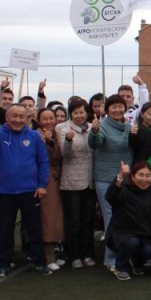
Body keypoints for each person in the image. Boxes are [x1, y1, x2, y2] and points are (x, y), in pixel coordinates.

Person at [0, 103, 51, 277]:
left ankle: (39, 261)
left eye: (22, 117)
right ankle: (4, 262)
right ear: (6, 118)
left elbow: (43, 161)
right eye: (14, 116)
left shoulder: (34, 136)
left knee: (33, 228)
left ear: (27, 118)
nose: (18, 120)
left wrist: (42, 185)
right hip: (6, 192)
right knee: (5, 228)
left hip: (30, 191)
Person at [88, 93, 134, 271]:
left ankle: (124, 257)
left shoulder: (129, 126)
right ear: (107, 109)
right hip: (106, 178)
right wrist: (95, 130)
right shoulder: (103, 126)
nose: (117, 109)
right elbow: (95, 143)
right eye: (113, 107)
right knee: (111, 219)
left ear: (125, 107)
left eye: (120, 106)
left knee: (123, 218)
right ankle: (111, 260)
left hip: (126, 179)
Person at [56, 97, 96, 269]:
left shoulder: (92, 127)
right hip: (71, 181)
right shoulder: (62, 128)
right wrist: (69, 140)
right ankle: (74, 255)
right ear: (70, 113)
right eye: (76, 112)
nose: (80, 115)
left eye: (82, 112)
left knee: (88, 219)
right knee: (73, 220)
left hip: (90, 181)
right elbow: (66, 155)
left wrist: (95, 131)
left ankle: (88, 253)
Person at [105, 161, 151, 281]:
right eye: (140, 175)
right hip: (122, 232)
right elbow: (110, 197)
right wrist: (120, 176)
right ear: (133, 177)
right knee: (132, 243)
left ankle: (136, 263)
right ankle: (120, 267)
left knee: (150, 250)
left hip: (143, 233)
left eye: (147, 176)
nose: (144, 179)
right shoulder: (123, 189)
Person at [36, 108, 65, 272]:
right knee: (48, 217)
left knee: (57, 217)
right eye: (44, 119)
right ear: (38, 120)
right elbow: (52, 157)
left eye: (51, 118)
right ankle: (48, 257)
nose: (48, 122)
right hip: (45, 178)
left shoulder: (57, 133)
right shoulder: (36, 135)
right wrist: (48, 142)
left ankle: (54, 253)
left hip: (58, 176)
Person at [129, 102, 151, 183]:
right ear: (142, 114)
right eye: (150, 114)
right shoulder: (140, 131)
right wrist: (133, 134)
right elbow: (134, 142)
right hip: (144, 175)